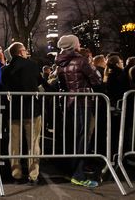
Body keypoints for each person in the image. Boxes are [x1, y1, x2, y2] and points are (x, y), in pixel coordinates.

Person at [55, 35, 101, 188]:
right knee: (83, 138)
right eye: (78, 42)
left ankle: (71, 171)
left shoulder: (60, 63)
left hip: (69, 103)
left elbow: (61, 85)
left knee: (73, 138)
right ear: (74, 45)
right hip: (83, 102)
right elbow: (96, 80)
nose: (80, 44)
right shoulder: (81, 60)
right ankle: (78, 175)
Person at [1, 42, 42, 185]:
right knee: (33, 143)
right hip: (31, 110)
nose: (26, 52)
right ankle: (33, 174)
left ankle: (16, 173)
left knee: (14, 143)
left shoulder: (6, 69)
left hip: (14, 111)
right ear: (20, 52)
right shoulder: (32, 65)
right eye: (25, 50)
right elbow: (40, 82)